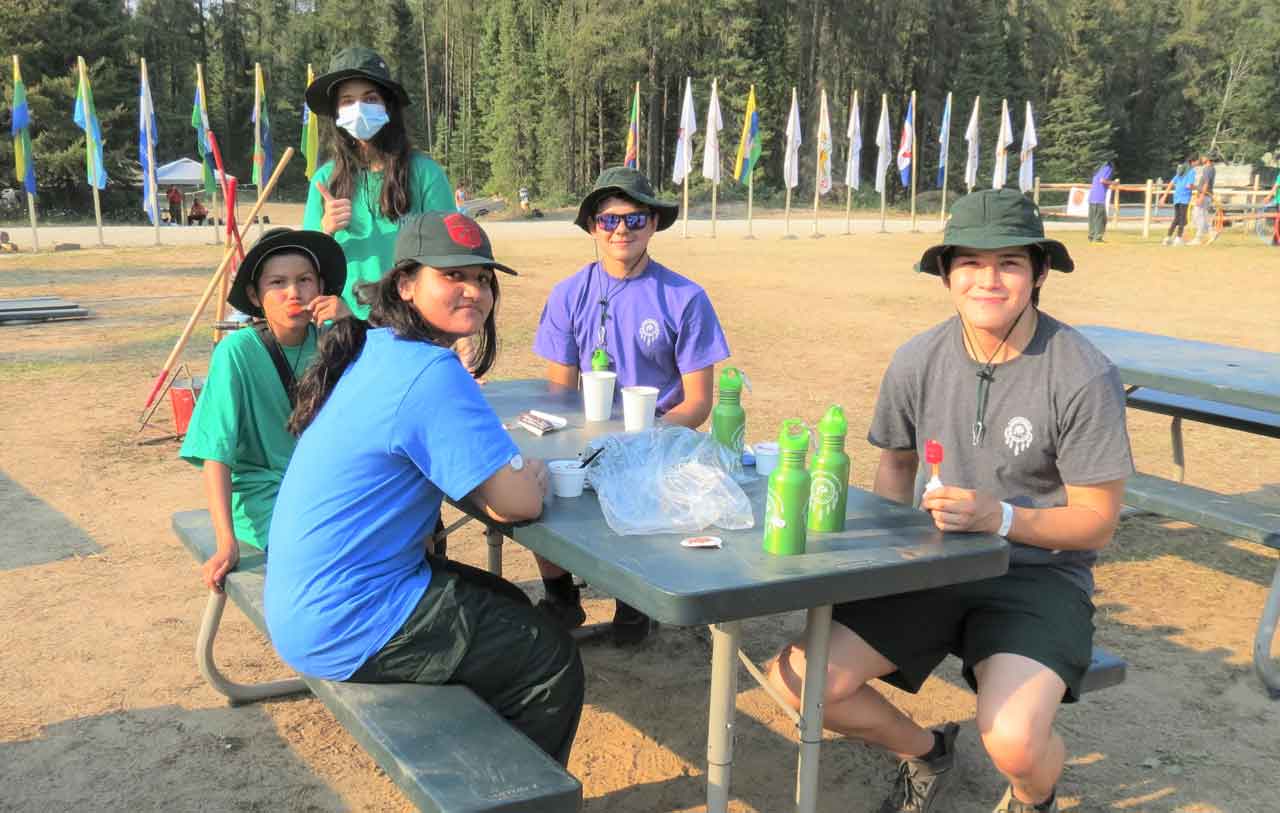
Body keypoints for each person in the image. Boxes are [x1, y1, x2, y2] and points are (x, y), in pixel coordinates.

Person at [765, 189, 1133, 813]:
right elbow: (895, 466)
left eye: (1009, 263)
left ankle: (1029, 796)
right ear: (945, 273)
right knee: (798, 682)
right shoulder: (918, 358)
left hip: (1036, 578)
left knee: (1012, 740)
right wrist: (885, 564)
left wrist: (1005, 517)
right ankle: (928, 750)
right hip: (931, 566)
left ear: (1040, 272)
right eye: (969, 262)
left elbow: (1096, 524)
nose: (988, 279)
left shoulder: (1081, 373)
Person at [264, 212, 583, 766]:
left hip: (310, 599)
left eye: (482, 278)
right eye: (452, 276)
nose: (474, 291)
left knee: (506, 601)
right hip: (347, 617)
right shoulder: (430, 371)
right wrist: (528, 474)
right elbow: (518, 504)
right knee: (549, 661)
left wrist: (501, 480)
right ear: (406, 285)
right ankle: (509, 798)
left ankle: (490, 755)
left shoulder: (380, 346)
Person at [531, 166, 731, 643]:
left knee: (638, 487)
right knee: (534, 480)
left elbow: (698, 402)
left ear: (654, 224)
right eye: (608, 220)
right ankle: (561, 596)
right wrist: (581, 440)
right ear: (592, 227)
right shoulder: (568, 294)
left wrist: (645, 438)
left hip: (661, 436)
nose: (621, 229)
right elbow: (560, 392)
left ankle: (633, 601)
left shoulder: (685, 298)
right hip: (588, 432)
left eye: (635, 219)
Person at [180, 228, 347, 592]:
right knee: (324, 555)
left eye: (305, 280)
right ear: (256, 295)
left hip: (326, 485)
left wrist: (351, 326)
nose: (294, 292)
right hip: (265, 493)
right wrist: (226, 541)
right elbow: (216, 453)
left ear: (321, 287)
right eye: (278, 282)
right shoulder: (235, 352)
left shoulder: (335, 343)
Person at [303, 47, 455, 322]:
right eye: (347, 101)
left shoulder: (425, 174)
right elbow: (304, 268)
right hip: (342, 329)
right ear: (336, 113)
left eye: (370, 98)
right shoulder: (325, 181)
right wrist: (325, 230)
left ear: (388, 106)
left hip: (412, 328)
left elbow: (448, 256)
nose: (358, 109)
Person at [1160, 158, 1197, 246]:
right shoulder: (1191, 172)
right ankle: (1178, 239)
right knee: (1182, 219)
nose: (1197, 163)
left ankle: (1167, 238)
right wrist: (1198, 189)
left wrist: (1164, 196)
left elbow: (1171, 183)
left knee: (1177, 218)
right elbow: (1189, 186)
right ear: (1192, 162)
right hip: (1184, 198)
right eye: (1197, 161)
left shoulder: (1181, 171)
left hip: (1177, 197)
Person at [1188, 154, 1217, 246]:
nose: (1202, 158)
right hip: (1205, 195)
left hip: (1204, 196)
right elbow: (1204, 184)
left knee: (1197, 215)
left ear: (1208, 159)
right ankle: (1211, 232)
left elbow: (1206, 183)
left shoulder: (1208, 169)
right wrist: (1196, 189)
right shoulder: (1211, 168)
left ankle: (1198, 238)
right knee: (1203, 216)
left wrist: (1201, 196)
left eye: (1204, 157)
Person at [1086, 159, 1115, 242]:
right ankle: (1098, 238)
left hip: (1092, 198)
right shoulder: (1108, 169)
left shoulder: (1098, 170)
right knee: (1101, 219)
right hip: (1099, 198)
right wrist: (1113, 183)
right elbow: (1103, 180)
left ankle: (1091, 236)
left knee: (1092, 219)